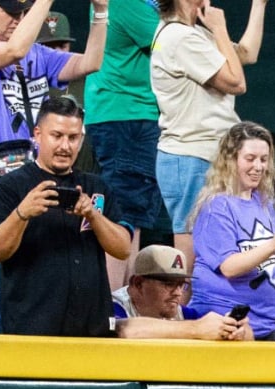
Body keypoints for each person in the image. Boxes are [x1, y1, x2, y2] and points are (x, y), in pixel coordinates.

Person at [0, 0, 109, 335]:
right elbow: (13, 50)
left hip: (26, 189)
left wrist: (100, 11)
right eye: (11, 11)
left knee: (9, 298)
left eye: (23, 13)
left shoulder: (39, 54)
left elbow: (92, 61)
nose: (18, 19)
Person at [0, 96, 130, 336]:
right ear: (38, 134)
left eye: (73, 138)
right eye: (57, 136)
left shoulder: (97, 187)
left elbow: (123, 249)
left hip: (91, 328)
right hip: (30, 327)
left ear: (81, 140)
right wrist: (22, 213)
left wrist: (93, 216)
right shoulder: (11, 186)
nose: (65, 146)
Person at [152, 0, 270, 257]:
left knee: (216, 240)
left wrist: (258, 5)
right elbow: (237, 82)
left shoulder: (194, 32)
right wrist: (220, 28)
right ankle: (183, 299)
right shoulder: (179, 36)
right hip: (191, 154)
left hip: (208, 153)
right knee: (193, 246)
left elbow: (246, 54)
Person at [188, 121, 275, 336]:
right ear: (230, 160)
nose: (258, 167)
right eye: (250, 159)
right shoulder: (217, 206)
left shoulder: (263, 202)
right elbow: (228, 266)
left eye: (264, 160)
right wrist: (274, 245)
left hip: (269, 326)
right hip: (227, 327)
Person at [90, 0, 170, 266]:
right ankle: (112, 303)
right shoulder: (128, 3)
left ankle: (120, 302)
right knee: (123, 214)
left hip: (121, 115)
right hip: (128, 116)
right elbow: (173, 44)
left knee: (129, 217)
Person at [114, 243, 253, 339]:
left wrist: (237, 330)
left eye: (181, 285)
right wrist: (196, 329)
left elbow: (248, 335)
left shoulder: (182, 313)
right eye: (169, 284)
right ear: (138, 284)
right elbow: (122, 329)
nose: (178, 293)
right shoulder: (113, 306)